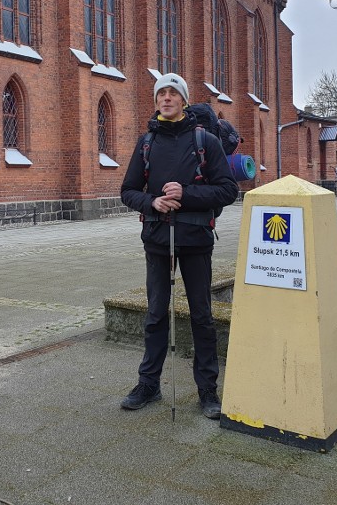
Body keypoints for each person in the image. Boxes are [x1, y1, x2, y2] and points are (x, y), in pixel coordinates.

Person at [119, 73, 239, 419]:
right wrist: (153, 202)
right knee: (156, 315)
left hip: (196, 240)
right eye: (161, 94)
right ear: (156, 101)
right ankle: (148, 384)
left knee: (202, 316)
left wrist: (185, 194)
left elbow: (228, 190)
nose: (167, 98)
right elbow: (128, 191)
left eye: (173, 93)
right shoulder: (146, 143)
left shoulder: (205, 141)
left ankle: (207, 390)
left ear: (184, 100)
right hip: (157, 240)